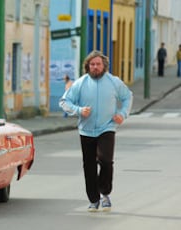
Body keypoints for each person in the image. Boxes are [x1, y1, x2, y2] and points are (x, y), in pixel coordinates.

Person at [59, 50, 133, 212]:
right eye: (92, 64)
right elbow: (65, 101)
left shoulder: (114, 82)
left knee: (106, 161)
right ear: (87, 66)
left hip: (107, 127)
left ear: (104, 66)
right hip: (86, 130)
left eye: (98, 64)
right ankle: (94, 199)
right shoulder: (81, 83)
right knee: (89, 166)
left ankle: (104, 193)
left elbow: (128, 96)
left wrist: (122, 114)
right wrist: (78, 110)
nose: (95, 67)